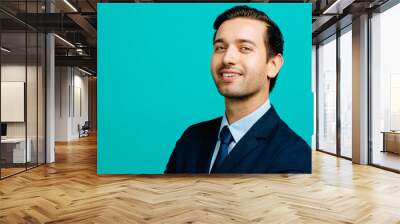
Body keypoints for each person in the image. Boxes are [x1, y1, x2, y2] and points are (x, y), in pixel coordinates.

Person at [164, 5, 311, 174]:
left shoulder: (294, 155)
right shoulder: (191, 139)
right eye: (220, 47)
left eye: (245, 48)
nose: (227, 58)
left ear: (273, 65)